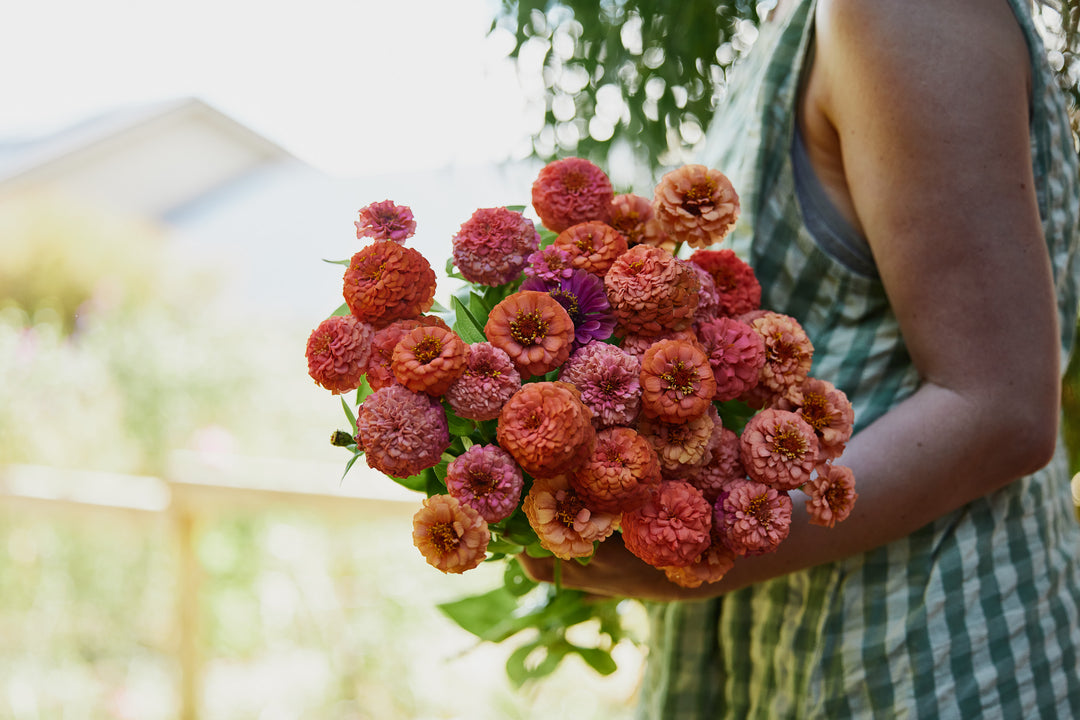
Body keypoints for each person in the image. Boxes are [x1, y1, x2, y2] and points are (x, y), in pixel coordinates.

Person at [520, 0, 1080, 716]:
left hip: (915, 656)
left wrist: (706, 547)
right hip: (810, 646)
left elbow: (1000, 411)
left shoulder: (907, 13)